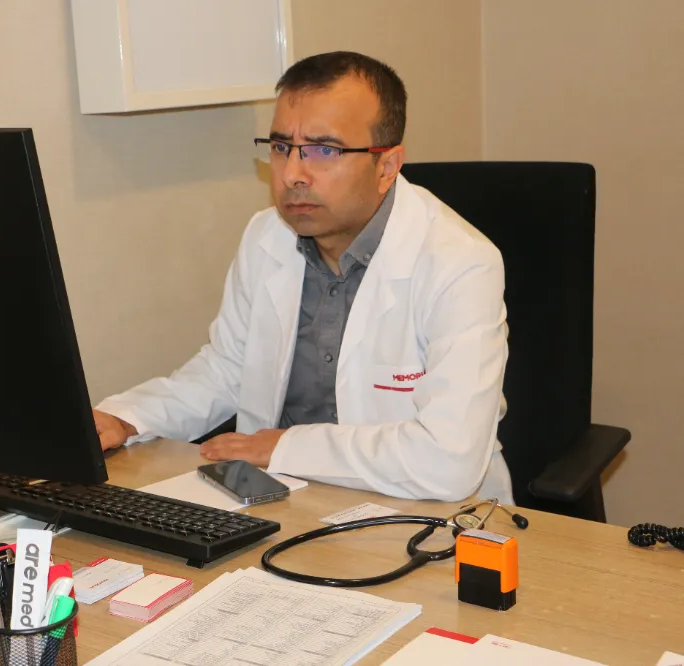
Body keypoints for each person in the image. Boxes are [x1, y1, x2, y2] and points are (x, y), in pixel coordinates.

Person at [94, 51, 513, 503]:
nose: (293, 174)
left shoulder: (460, 262)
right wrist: (129, 417)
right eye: (281, 148)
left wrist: (283, 447)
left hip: (424, 511)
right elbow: (228, 370)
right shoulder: (266, 236)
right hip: (282, 499)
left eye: (324, 150)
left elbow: (447, 460)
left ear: (387, 167)